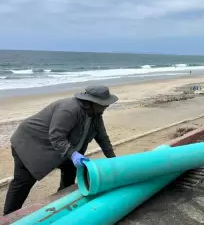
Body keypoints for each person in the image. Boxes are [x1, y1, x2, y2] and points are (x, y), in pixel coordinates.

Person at [2, 85, 118, 216]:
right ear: (92, 102)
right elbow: (56, 136)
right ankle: (8, 217)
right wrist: (73, 154)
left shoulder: (96, 114)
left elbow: (102, 138)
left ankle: (62, 202)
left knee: (71, 170)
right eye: (104, 104)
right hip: (30, 143)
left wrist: (114, 161)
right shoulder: (69, 109)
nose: (107, 106)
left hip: (60, 147)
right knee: (23, 182)